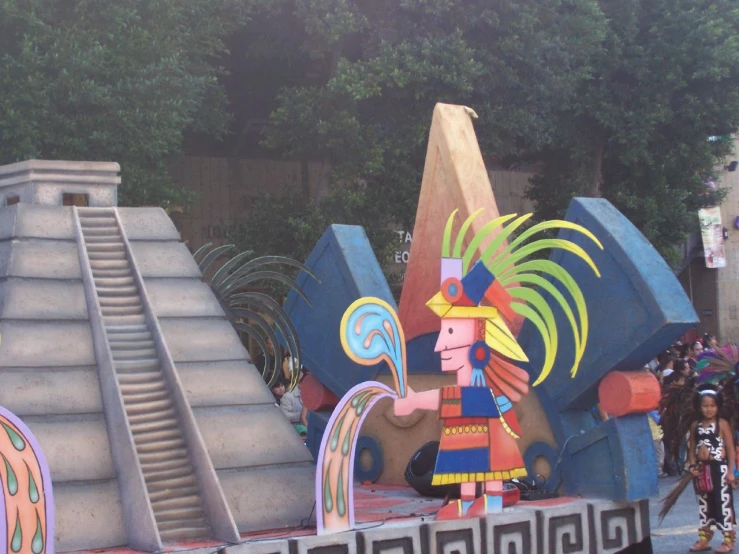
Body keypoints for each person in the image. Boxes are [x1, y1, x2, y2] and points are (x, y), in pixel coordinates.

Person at [687, 388, 736, 552]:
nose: (709, 409)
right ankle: (704, 538)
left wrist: (731, 472)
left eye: (712, 405)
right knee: (704, 504)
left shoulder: (722, 424)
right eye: (705, 406)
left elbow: (730, 448)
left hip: (719, 469)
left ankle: (728, 540)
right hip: (702, 470)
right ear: (699, 407)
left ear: (718, 406)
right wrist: (692, 465)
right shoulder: (696, 425)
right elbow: (691, 447)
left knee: (723, 504)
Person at [649, 410, 666, 477]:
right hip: (656, 436)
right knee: (660, 454)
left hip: (654, 436)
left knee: (656, 455)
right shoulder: (652, 411)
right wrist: (664, 412)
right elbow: (659, 421)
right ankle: (659, 472)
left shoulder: (648, 411)